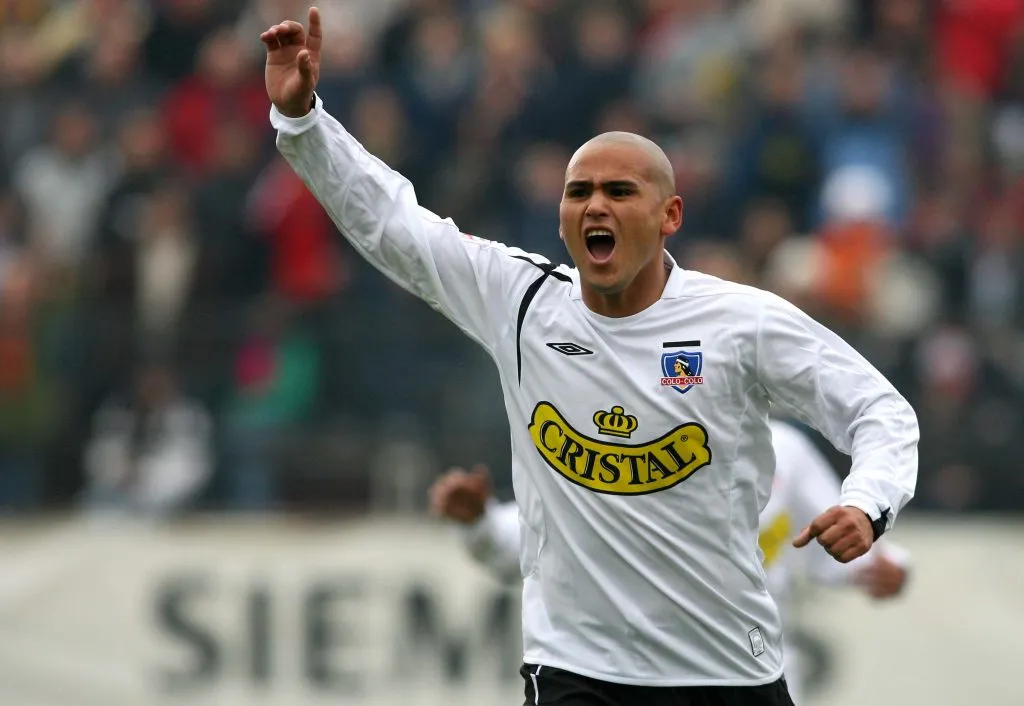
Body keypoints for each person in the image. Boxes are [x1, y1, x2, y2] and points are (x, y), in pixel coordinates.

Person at [261, 9, 918, 704]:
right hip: (577, 674)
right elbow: (394, 224)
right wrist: (304, 124)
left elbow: (878, 409)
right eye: (579, 192)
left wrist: (867, 503)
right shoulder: (521, 302)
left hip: (726, 674)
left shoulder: (738, 321)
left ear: (670, 217)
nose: (595, 205)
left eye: (619, 191)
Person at [429, 418, 911, 704]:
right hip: (636, 680)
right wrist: (479, 524)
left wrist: (890, 568)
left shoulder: (785, 451)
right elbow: (529, 545)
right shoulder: (627, 444)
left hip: (752, 680)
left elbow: (838, 546)